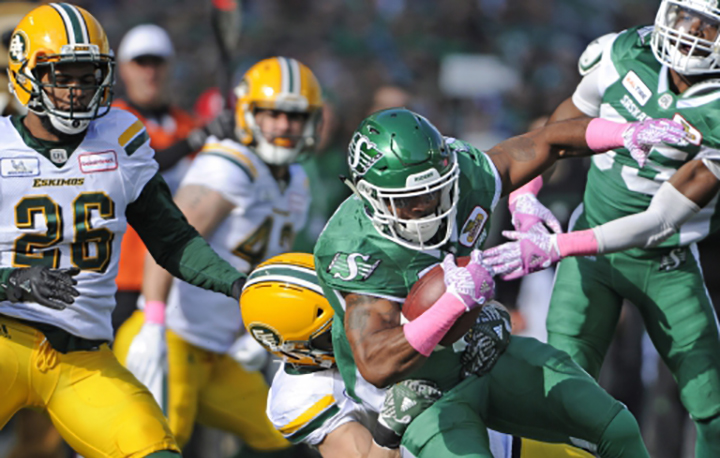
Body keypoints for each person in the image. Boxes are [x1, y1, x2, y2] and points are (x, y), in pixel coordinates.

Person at [312, 107, 687, 457]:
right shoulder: (354, 248)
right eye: (409, 199)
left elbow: (548, 142)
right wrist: (452, 304)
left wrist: (623, 132)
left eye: (434, 190)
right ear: (368, 196)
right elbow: (376, 364)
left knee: (615, 426)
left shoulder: (465, 173)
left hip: (484, 353)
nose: (427, 205)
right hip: (416, 395)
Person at [0, 4, 246, 457]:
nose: (76, 91)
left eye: (86, 77)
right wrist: (10, 281)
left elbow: (173, 241)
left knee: (155, 450)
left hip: (83, 358)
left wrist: (237, 284)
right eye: (62, 76)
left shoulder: (120, 137)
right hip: (5, 339)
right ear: (25, 74)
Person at [481, 2, 720, 456]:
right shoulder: (625, 52)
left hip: (663, 259)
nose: (689, 34)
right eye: (685, 17)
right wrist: (526, 195)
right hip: (588, 247)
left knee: (712, 403)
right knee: (563, 386)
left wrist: (558, 246)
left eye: (707, 28)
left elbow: (661, 220)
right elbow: (555, 133)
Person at [113, 56, 323, 456]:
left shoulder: (296, 180)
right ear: (248, 112)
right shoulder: (231, 165)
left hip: (220, 353)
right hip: (171, 338)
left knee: (287, 434)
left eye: (293, 117)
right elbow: (169, 242)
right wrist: (152, 321)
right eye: (271, 113)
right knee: (157, 444)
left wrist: (258, 331)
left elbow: (270, 264)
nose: (282, 126)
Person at [241, 252, 594, 458]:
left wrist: (483, 316)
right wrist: (387, 430)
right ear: (297, 349)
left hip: (502, 431)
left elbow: (435, 310)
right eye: (331, 329)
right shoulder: (301, 397)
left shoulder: (365, 284)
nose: (352, 326)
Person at [113, 24, 235, 332]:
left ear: (170, 68)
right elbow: (149, 162)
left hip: (176, 278)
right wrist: (200, 138)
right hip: (123, 275)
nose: (150, 72)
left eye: (157, 62)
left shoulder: (187, 124)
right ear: (125, 69)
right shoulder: (112, 120)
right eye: (141, 63)